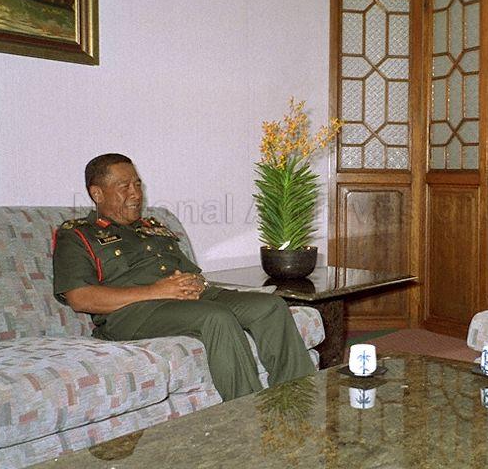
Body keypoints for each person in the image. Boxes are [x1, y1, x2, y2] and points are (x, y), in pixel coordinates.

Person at [53, 153, 315, 401]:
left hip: (185, 301)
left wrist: (194, 283)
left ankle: (296, 406)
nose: (136, 193)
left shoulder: (154, 228)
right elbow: (80, 297)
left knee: (270, 307)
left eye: (138, 184)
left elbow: (193, 274)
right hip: (131, 313)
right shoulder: (77, 235)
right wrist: (158, 291)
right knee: (215, 317)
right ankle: (246, 416)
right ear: (97, 193)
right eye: (124, 186)